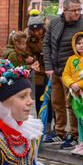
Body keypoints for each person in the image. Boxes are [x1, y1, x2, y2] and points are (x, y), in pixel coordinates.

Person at [43, 0, 83, 149]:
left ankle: (74, 134)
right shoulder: (54, 23)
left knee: (72, 104)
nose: (78, 13)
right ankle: (59, 132)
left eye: (79, 9)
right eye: (74, 10)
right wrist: (48, 67)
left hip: (72, 73)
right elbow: (46, 45)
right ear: (64, 10)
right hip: (55, 71)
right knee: (57, 102)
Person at [26, 10, 54, 141]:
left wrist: (47, 55)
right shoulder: (28, 39)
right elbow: (27, 54)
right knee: (39, 97)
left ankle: (48, 124)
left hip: (50, 68)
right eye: (34, 31)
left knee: (49, 98)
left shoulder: (49, 34)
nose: (37, 33)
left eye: (39, 30)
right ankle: (40, 123)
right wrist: (33, 59)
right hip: (38, 70)